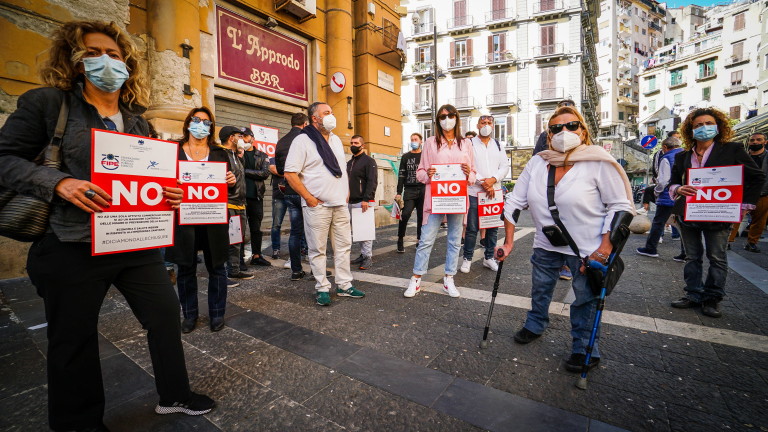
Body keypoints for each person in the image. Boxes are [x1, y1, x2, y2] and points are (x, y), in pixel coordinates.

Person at [0, 21, 215, 430]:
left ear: (127, 64)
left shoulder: (138, 122)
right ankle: (78, 424)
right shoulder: (48, 104)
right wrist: (58, 181)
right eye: (93, 52)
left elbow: (154, 179)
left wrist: (172, 194)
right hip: (71, 242)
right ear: (77, 62)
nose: (105, 61)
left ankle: (175, 395)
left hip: (134, 241)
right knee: (73, 340)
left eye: (114, 54)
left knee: (165, 315)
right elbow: (4, 160)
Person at [496, 105, 634, 372]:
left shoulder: (598, 162)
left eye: (571, 126)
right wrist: (508, 241)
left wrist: (605, 249)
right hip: (546, 243)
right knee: (540, 287)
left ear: (583, 131)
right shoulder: (538, 162)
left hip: (587, 247)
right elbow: (514, 200)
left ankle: (584, 346)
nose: (563, 132)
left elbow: (620, 206)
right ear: (549, 135)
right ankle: (535, 323)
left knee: (585, 297)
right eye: (556, 128)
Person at [668, 108, 764, 318]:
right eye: (698, 125)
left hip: (719, 212)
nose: (704, 128)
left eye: (708, 123)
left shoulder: (732, 150)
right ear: (690, 130)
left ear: (718, 126)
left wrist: (743, 204)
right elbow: (673, 181)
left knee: (717, 257)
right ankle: (693, 294)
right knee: (692, 256)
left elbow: (757, 177)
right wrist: (678, 189)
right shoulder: (683, 156)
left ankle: (712, 298)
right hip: (689, 212)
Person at [284, 102, 366, 305]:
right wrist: (309, 198)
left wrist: (345, 191)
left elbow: (340, 169)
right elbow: (290, 173)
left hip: (339, 204)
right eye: (327, 113)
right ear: (315, 118)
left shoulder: (337, 140)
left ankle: (345, 285)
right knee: (317, 249)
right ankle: (322, 287)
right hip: (317, 206)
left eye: (332, 112)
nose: (331, 116)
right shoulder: (302, 140)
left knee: (343, 247)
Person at [166, 107, 235, 333]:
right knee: (185, 268)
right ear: (187, 123)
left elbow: (233, 189)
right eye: (196, 120)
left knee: (217, 267)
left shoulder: (219, 153)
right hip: (183, 219)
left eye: (206, 122)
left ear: (211, 127)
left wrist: (232, 180)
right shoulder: (172, 151)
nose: (201, 125)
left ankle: (217, 314)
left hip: (213, 219)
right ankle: (189, 315)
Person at [404, 104, 476, 298]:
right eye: (442, 116)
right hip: (435, 198)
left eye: (450, 115)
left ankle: (449, 278)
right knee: (426, 239)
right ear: (437, 121)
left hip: (457, 198)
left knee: (454, 241)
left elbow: (474, 174)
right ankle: (416, 278)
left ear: (456, 117)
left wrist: (469, 174)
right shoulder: (429, 143)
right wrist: (428, 173)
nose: (446, 119)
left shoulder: (466, 144)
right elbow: (419, 173)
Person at [533, 99, 576, 280]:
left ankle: (568, 262)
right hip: (551, 186)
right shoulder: (546, 134)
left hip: (574, 186)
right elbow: (536, 157)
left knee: (571, 223)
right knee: (553, 222)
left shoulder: (579, 131)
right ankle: (558, 262)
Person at [461, 115, 509, 273]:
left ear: (493, 126)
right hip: (475, 191)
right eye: (483, 123)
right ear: (477, 125)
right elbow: (467, 166)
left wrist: (493, 179)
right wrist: (484, 182)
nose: (486, 125)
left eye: (489, 123)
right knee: (472, 228)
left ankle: (489, 257)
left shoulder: (498, 145)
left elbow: (504, 166)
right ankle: (467, 258)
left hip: (493, 193)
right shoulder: (469, 143)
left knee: (493, 227)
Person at [275, 113, 313, 280]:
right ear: (305, 124)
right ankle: (316, 270)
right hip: (306, 191)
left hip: (290, 191)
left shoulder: (281, 141)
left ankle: (296, 271)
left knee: (295, 232)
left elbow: (280, 169)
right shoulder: (307, 138)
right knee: (313, 232)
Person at [636, 136, 683, 258]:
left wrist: (657, 192)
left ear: (665, 147)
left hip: (668, 195)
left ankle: (650, 248)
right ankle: (686, 253)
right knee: (684, 226)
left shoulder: (666, 157)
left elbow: (663, 181)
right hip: (684, 195)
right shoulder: (687, 155)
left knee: (658, 222)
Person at [219, 125, 254, 280]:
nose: (242, 139)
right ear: (231, 138)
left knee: (236, 240)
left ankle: (234, 270)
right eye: (239, 136)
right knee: (226, 241)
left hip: (239, 204)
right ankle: (223, 273)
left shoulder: (235, 155)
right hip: (228, 204)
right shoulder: (220, 154)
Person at [727, 132, 767, 252]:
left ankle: (752, 242)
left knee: (760, 220)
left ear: (765, 142)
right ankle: (728, 241)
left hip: (762, 193)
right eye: (752, 140)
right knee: (734, 218)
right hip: (741, 192)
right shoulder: (741, 156)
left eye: (759, 140)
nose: (755, 142)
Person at [347, 134, 378, 270]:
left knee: (365, 231)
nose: (353, 145)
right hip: (351, 201)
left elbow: (372, 181)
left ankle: (368, 257)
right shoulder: (350, 163)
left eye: (356, 143)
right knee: (357, 231)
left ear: (362, 145)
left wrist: (367, 199)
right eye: (351, 143)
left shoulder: (369, 161)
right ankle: (362, 254)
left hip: (363, 201)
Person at [242, 127, 272, 266]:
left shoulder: (262, 155)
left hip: (256, 196)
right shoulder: (236, 155)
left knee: (256, 228)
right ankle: (239, 259)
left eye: (246, 136)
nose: (243, 139)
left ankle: (256, 255)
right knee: (239, 229)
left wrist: (244, 171)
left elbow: (265, 173)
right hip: (240, 197)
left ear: (252, 138)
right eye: (241, 136)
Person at [395, 133, 426, 252]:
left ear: (421, 142)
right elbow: (401, 175)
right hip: (409, 189)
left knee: (421, 216)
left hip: (423, 188)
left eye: (416, 139)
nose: (413, 141)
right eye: (412, 139)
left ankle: (419, 240)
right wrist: (399, 192)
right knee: (405, 214)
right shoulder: (405, 157)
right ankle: (400, 238)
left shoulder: (425, 156)